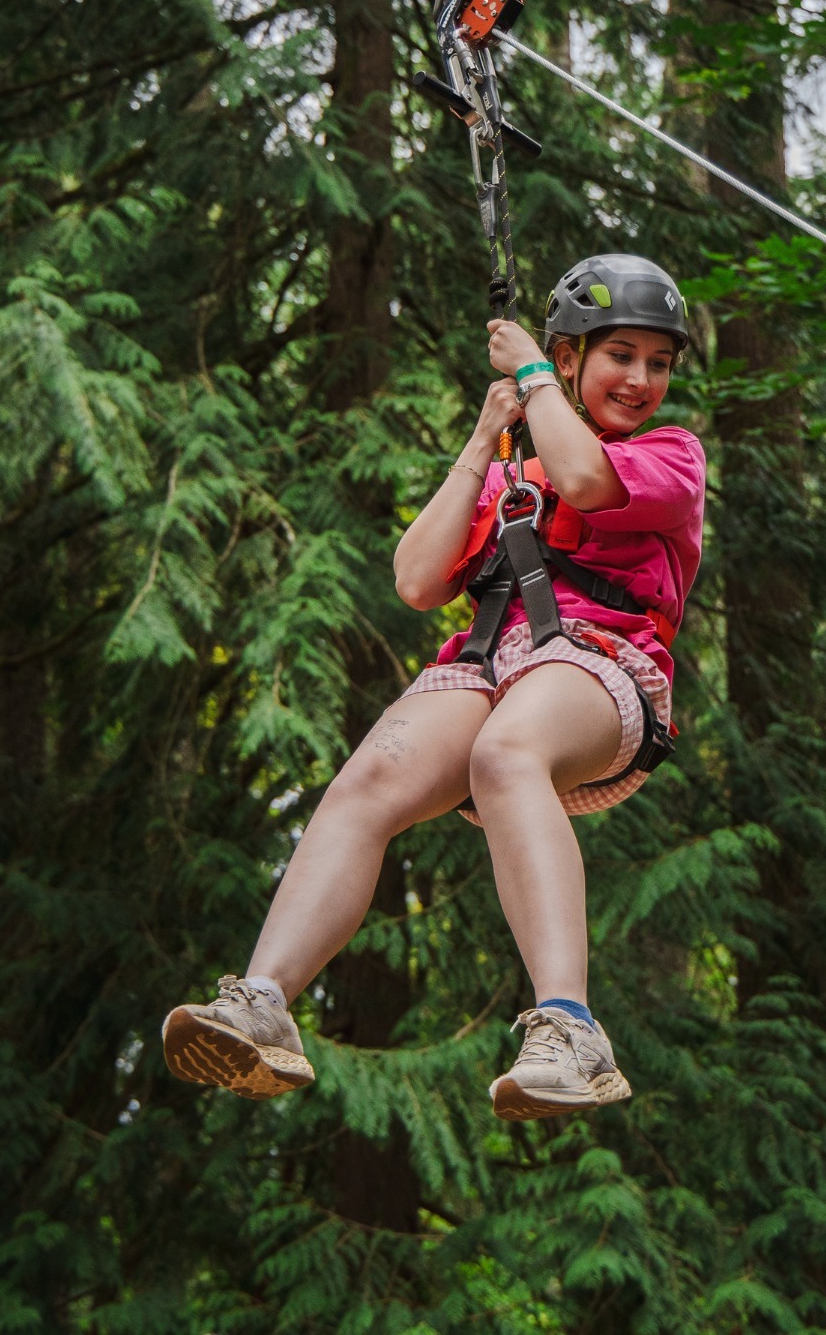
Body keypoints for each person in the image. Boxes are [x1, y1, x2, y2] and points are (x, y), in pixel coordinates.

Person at [162, 254, 706, 1119]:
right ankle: (265, 1003)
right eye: (621, 356)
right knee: (371, 777)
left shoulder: (672, 456)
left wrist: (532, 376)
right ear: (575, 358)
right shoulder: (508, 477)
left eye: (659, 362)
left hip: (601, 668)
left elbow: (586, 480)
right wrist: (484, 437)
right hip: (493, 663)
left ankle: (570, 1029)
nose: (642, 380)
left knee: (509, 749)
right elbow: (416, 580)